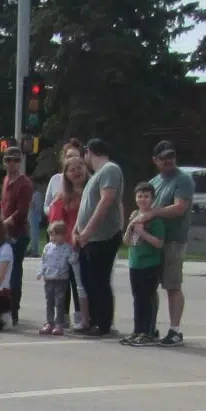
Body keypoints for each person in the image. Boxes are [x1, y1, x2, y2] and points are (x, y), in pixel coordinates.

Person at [136, 141, 194, 345]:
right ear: (155, 160)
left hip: (173, 240)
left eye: (172, 156)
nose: (169, 160)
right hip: (153, 242)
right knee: (150, 286)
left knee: (172, 285)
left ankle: (175, 330)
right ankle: (149, 328)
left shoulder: (183, 179)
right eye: (164, 158)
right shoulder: (154, 182)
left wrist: (153, 213)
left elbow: (179, 208)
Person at [73, 138, 124, 337]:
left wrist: (88, 230)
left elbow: (106, 201)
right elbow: (86, 206)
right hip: (89, 238)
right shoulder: (95, 176)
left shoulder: (110, 169)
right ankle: (93, 320)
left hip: (103, 236)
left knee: (99, 281)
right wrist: (77, 229)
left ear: (89, 151)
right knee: (89, 281)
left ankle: (103, 324)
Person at [120, 184, 167, 345]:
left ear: (152, 199)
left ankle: (148, 331)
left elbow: (159, 243)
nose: (143, 199)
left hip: (150, 264)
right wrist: (130, 226)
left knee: (148, 299)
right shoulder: (135, 216)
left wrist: (142, 232)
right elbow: (127, 241)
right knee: (137, 299)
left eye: (146, 196)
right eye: (140, 196)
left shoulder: (155, 220)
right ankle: (138, 330)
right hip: (135, 263)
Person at [47, 155, 90, 330]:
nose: (76, 172)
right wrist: (63, 242)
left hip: (89, 242)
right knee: (64, 283)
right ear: (65, 174)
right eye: (72, 169)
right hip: (68, 246)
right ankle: (62, 318)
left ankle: (84, 317)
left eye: (80, 167)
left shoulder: (93, 191)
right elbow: (55, 222)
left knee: (83, 284)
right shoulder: (62, 196)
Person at [0, 148, 33, 324]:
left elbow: (22, 211)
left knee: (14, 273)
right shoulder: (6, 180)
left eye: (15, 160)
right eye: (8, 160)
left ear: (20, 162)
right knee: (1, 272)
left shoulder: (24, 183)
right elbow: (3, 204)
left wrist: (3, 224)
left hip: (18, 235)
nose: (11, 163)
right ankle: (2, 307)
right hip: (4, 234)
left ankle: (13, 311)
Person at [38, 220, 74, 336]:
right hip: (49, 279)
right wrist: (41, 272)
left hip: (61, 279)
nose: (52, 237)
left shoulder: (67, 248)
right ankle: (49, 322)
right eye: (51, 235)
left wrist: (74, 256)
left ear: (63, 235)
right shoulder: (48, 247)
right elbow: (44, 260)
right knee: (49, 302)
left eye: (55, 235)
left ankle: (59, 324)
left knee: (59, 302)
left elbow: (72, 260)